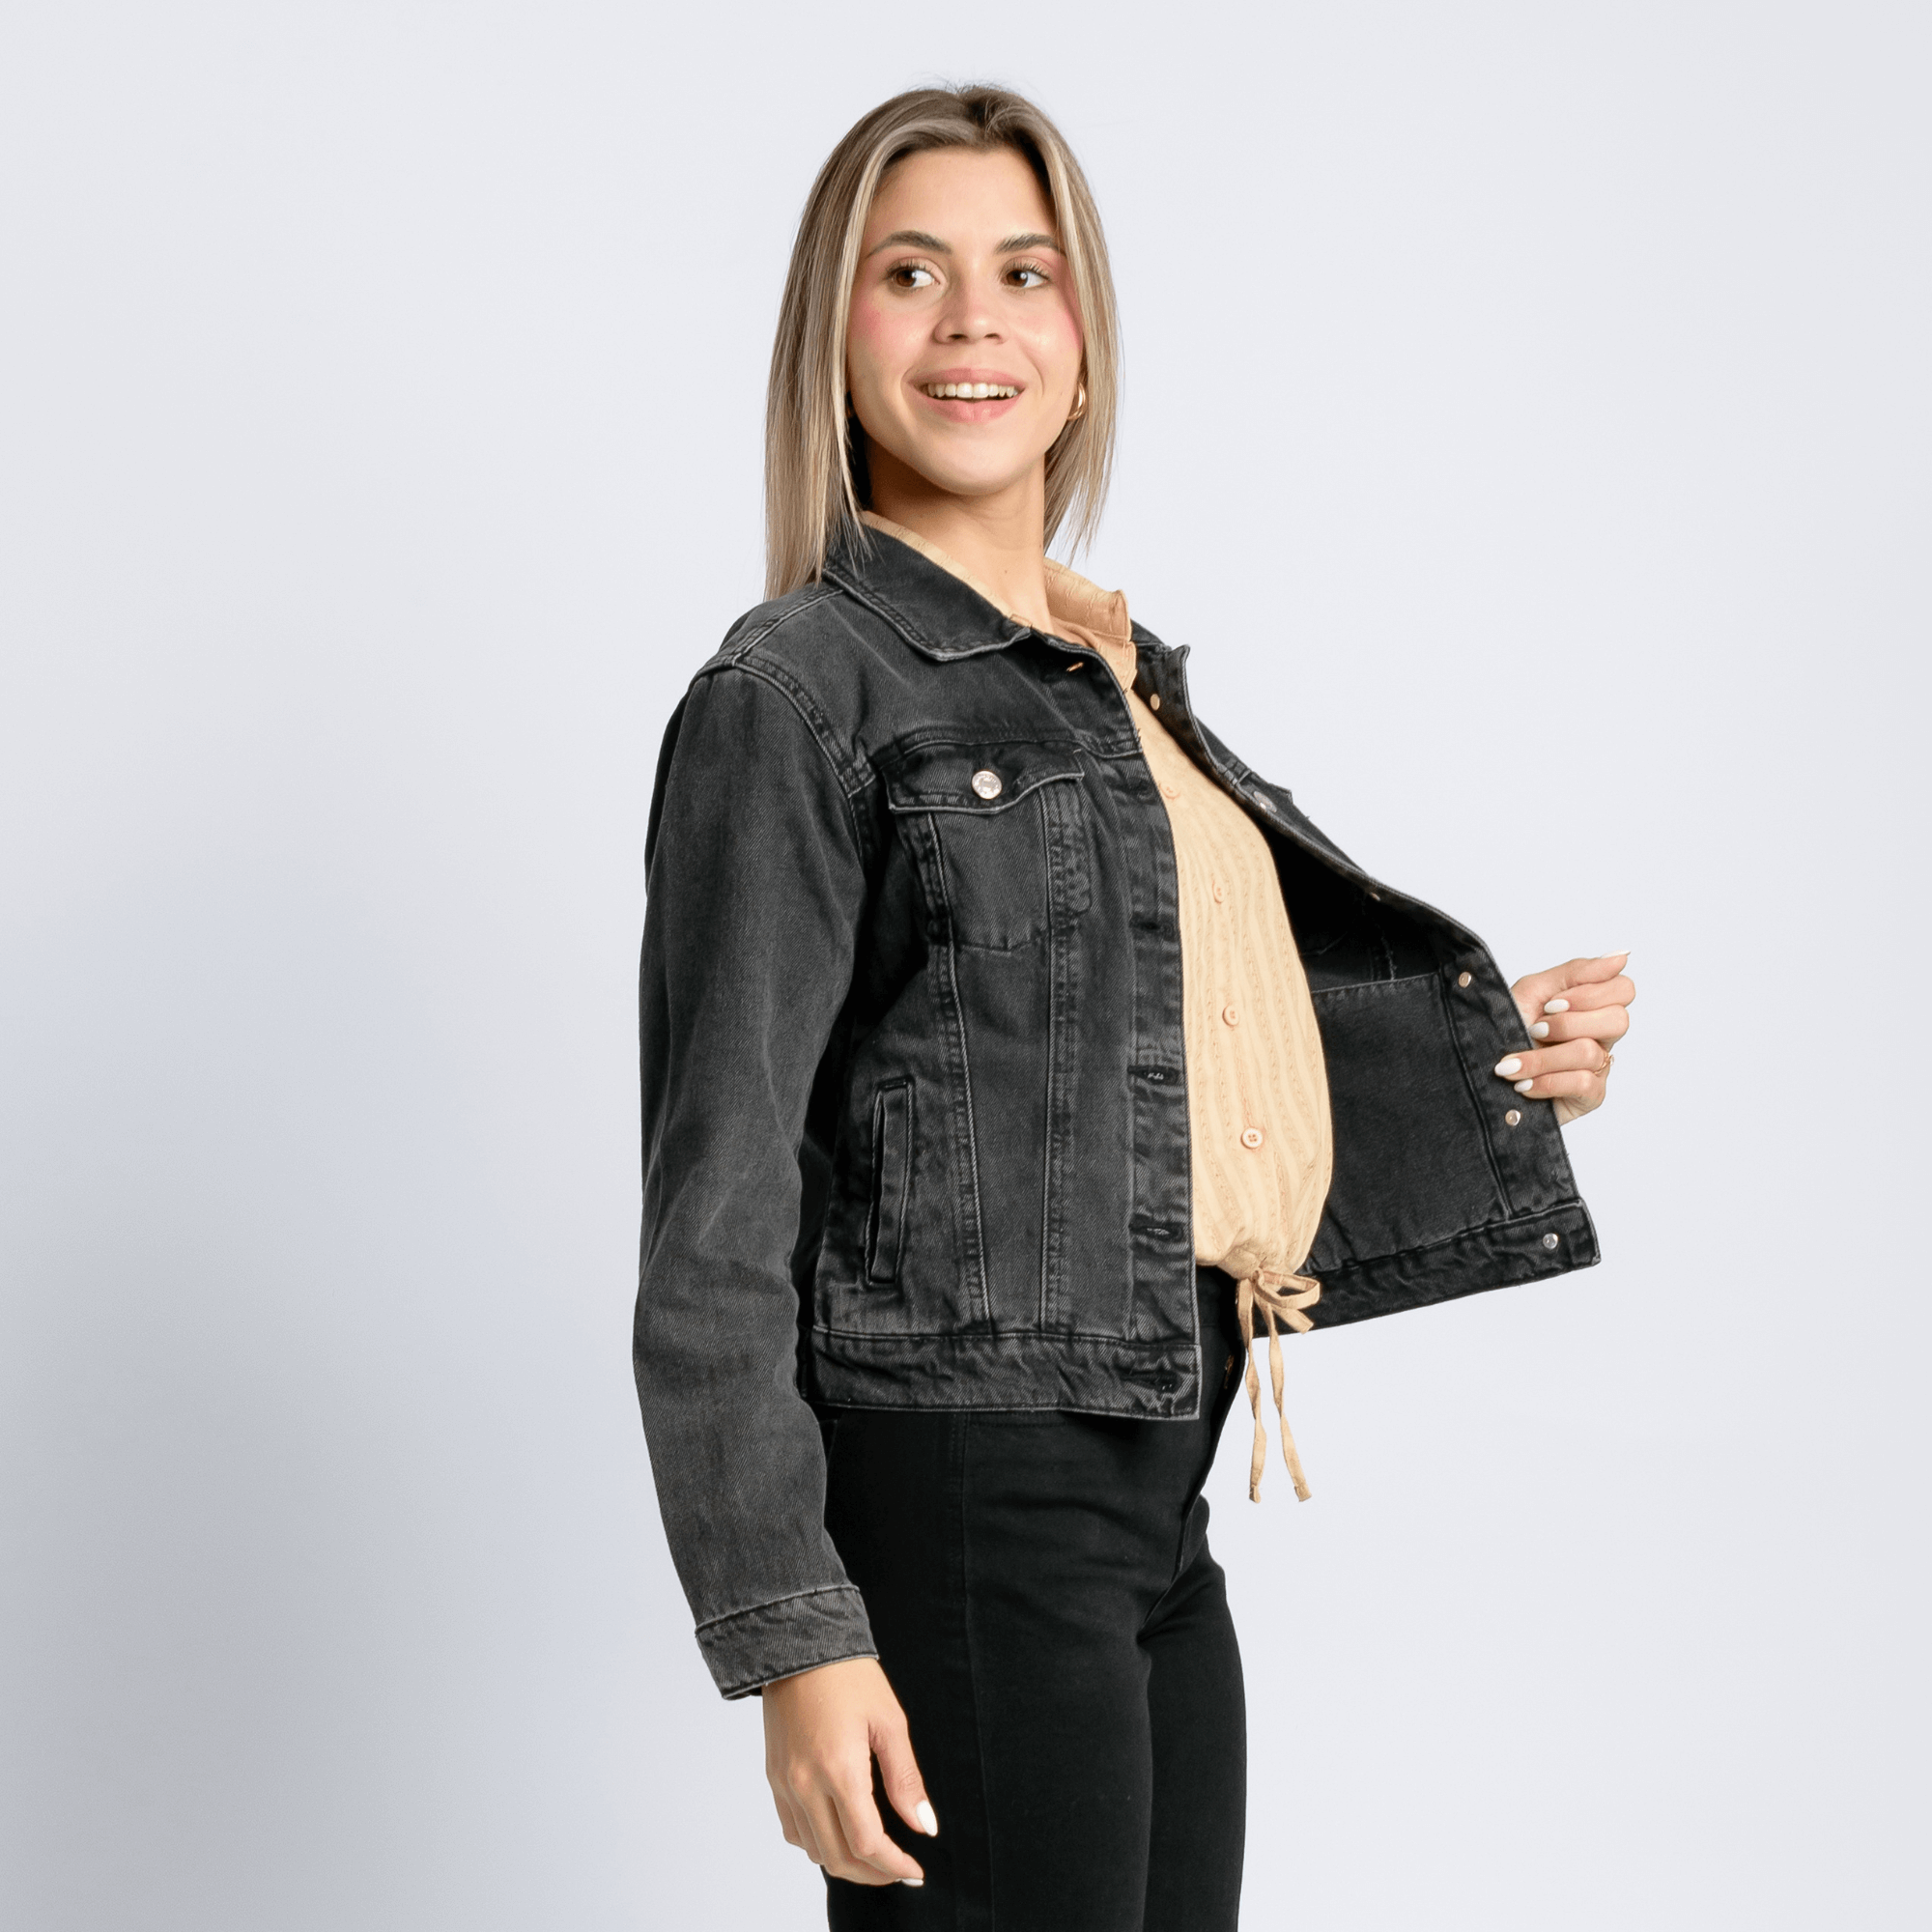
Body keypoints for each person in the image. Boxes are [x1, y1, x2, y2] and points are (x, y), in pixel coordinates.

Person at [633, 83, 1634, 1930]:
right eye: (909, 274)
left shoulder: (1113, 682)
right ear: (832, 336)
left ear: (1083, 346)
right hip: (969, 1482)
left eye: (1025, 274)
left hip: (1160, 1481)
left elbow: (1148, 1064)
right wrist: (792, 1629)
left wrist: (1500, 1066)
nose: (973, 321)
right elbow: (720, 1199)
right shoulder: (794, 695)